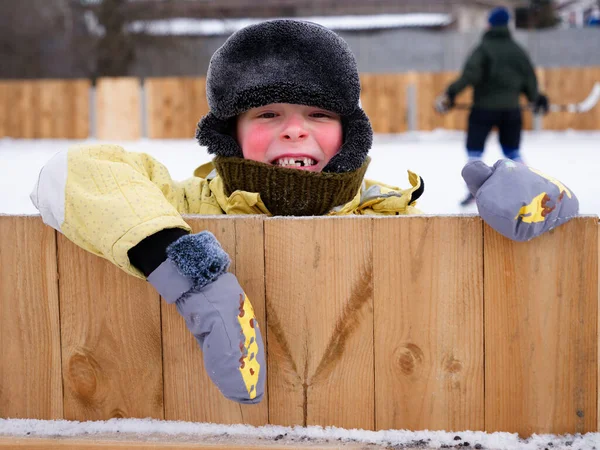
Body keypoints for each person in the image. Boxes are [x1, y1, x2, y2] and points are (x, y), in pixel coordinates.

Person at [30, 19, 578, 406]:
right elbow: (67, 172)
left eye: (318, 112)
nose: (295, 129)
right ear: (232, 131)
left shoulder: (385, 214)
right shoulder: (187, 206)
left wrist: (512, 212)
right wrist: (189, 272)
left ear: (347, 132)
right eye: (268, 112)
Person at [435, 6, 550, 206]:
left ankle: (474, 189)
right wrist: (536, 98)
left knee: (474, 151)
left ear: (491, 24)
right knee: (512, 151)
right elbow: (529, 80)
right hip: (511, 111)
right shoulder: (517, 51)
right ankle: (527, 185)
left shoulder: (484, 48)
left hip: (483, 110)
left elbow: (469, 75)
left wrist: (451, 93)